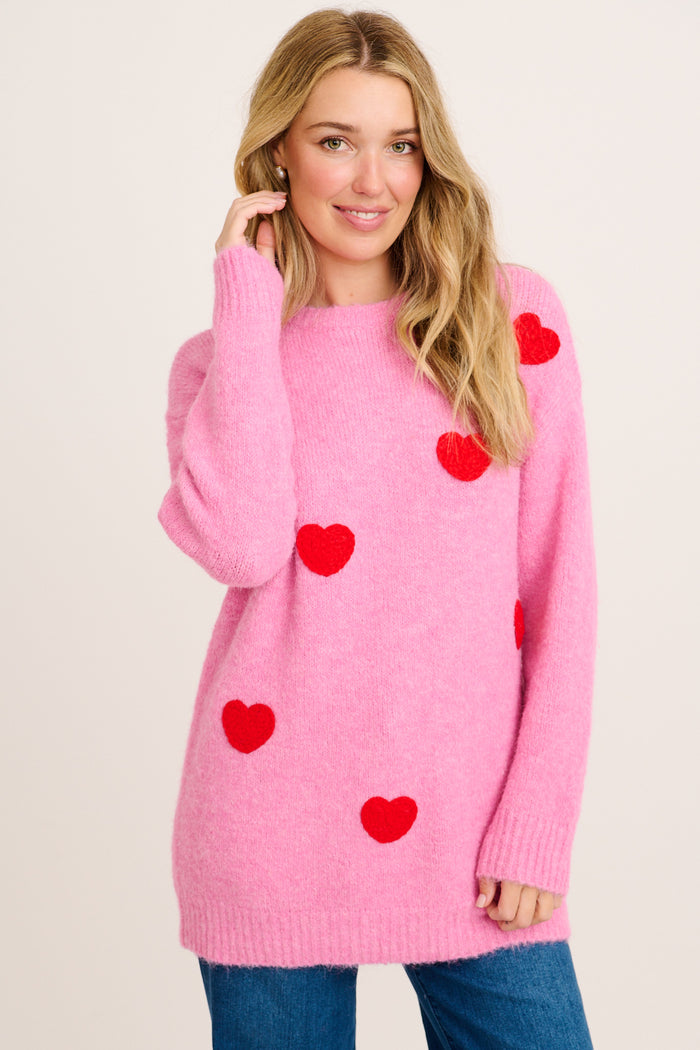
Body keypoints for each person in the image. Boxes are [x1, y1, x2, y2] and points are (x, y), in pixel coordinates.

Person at [157, 8, 597, 1049]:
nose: (372, 180)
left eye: (399, 145)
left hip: (473, 829)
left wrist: (536, 823)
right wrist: (246, 301)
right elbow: (244, 545)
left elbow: (561, 588)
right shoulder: (218, 364)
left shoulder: (509, 323)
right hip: (267, 828)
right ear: (278, 154)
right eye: (335, 141)